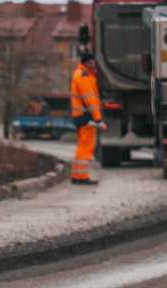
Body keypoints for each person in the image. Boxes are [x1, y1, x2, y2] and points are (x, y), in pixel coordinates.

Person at [69, 50, 104, 186]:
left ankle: (76, 175)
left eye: (93, 61)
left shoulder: (82, 74)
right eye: (90, 62)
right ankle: (82, 176)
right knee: (87, 146)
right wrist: (98, 119)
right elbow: (90, 100)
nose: (93, 64)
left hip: (81, 116)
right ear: (84, 63)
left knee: (82, 146)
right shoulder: (84, 76)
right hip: (86, 116)